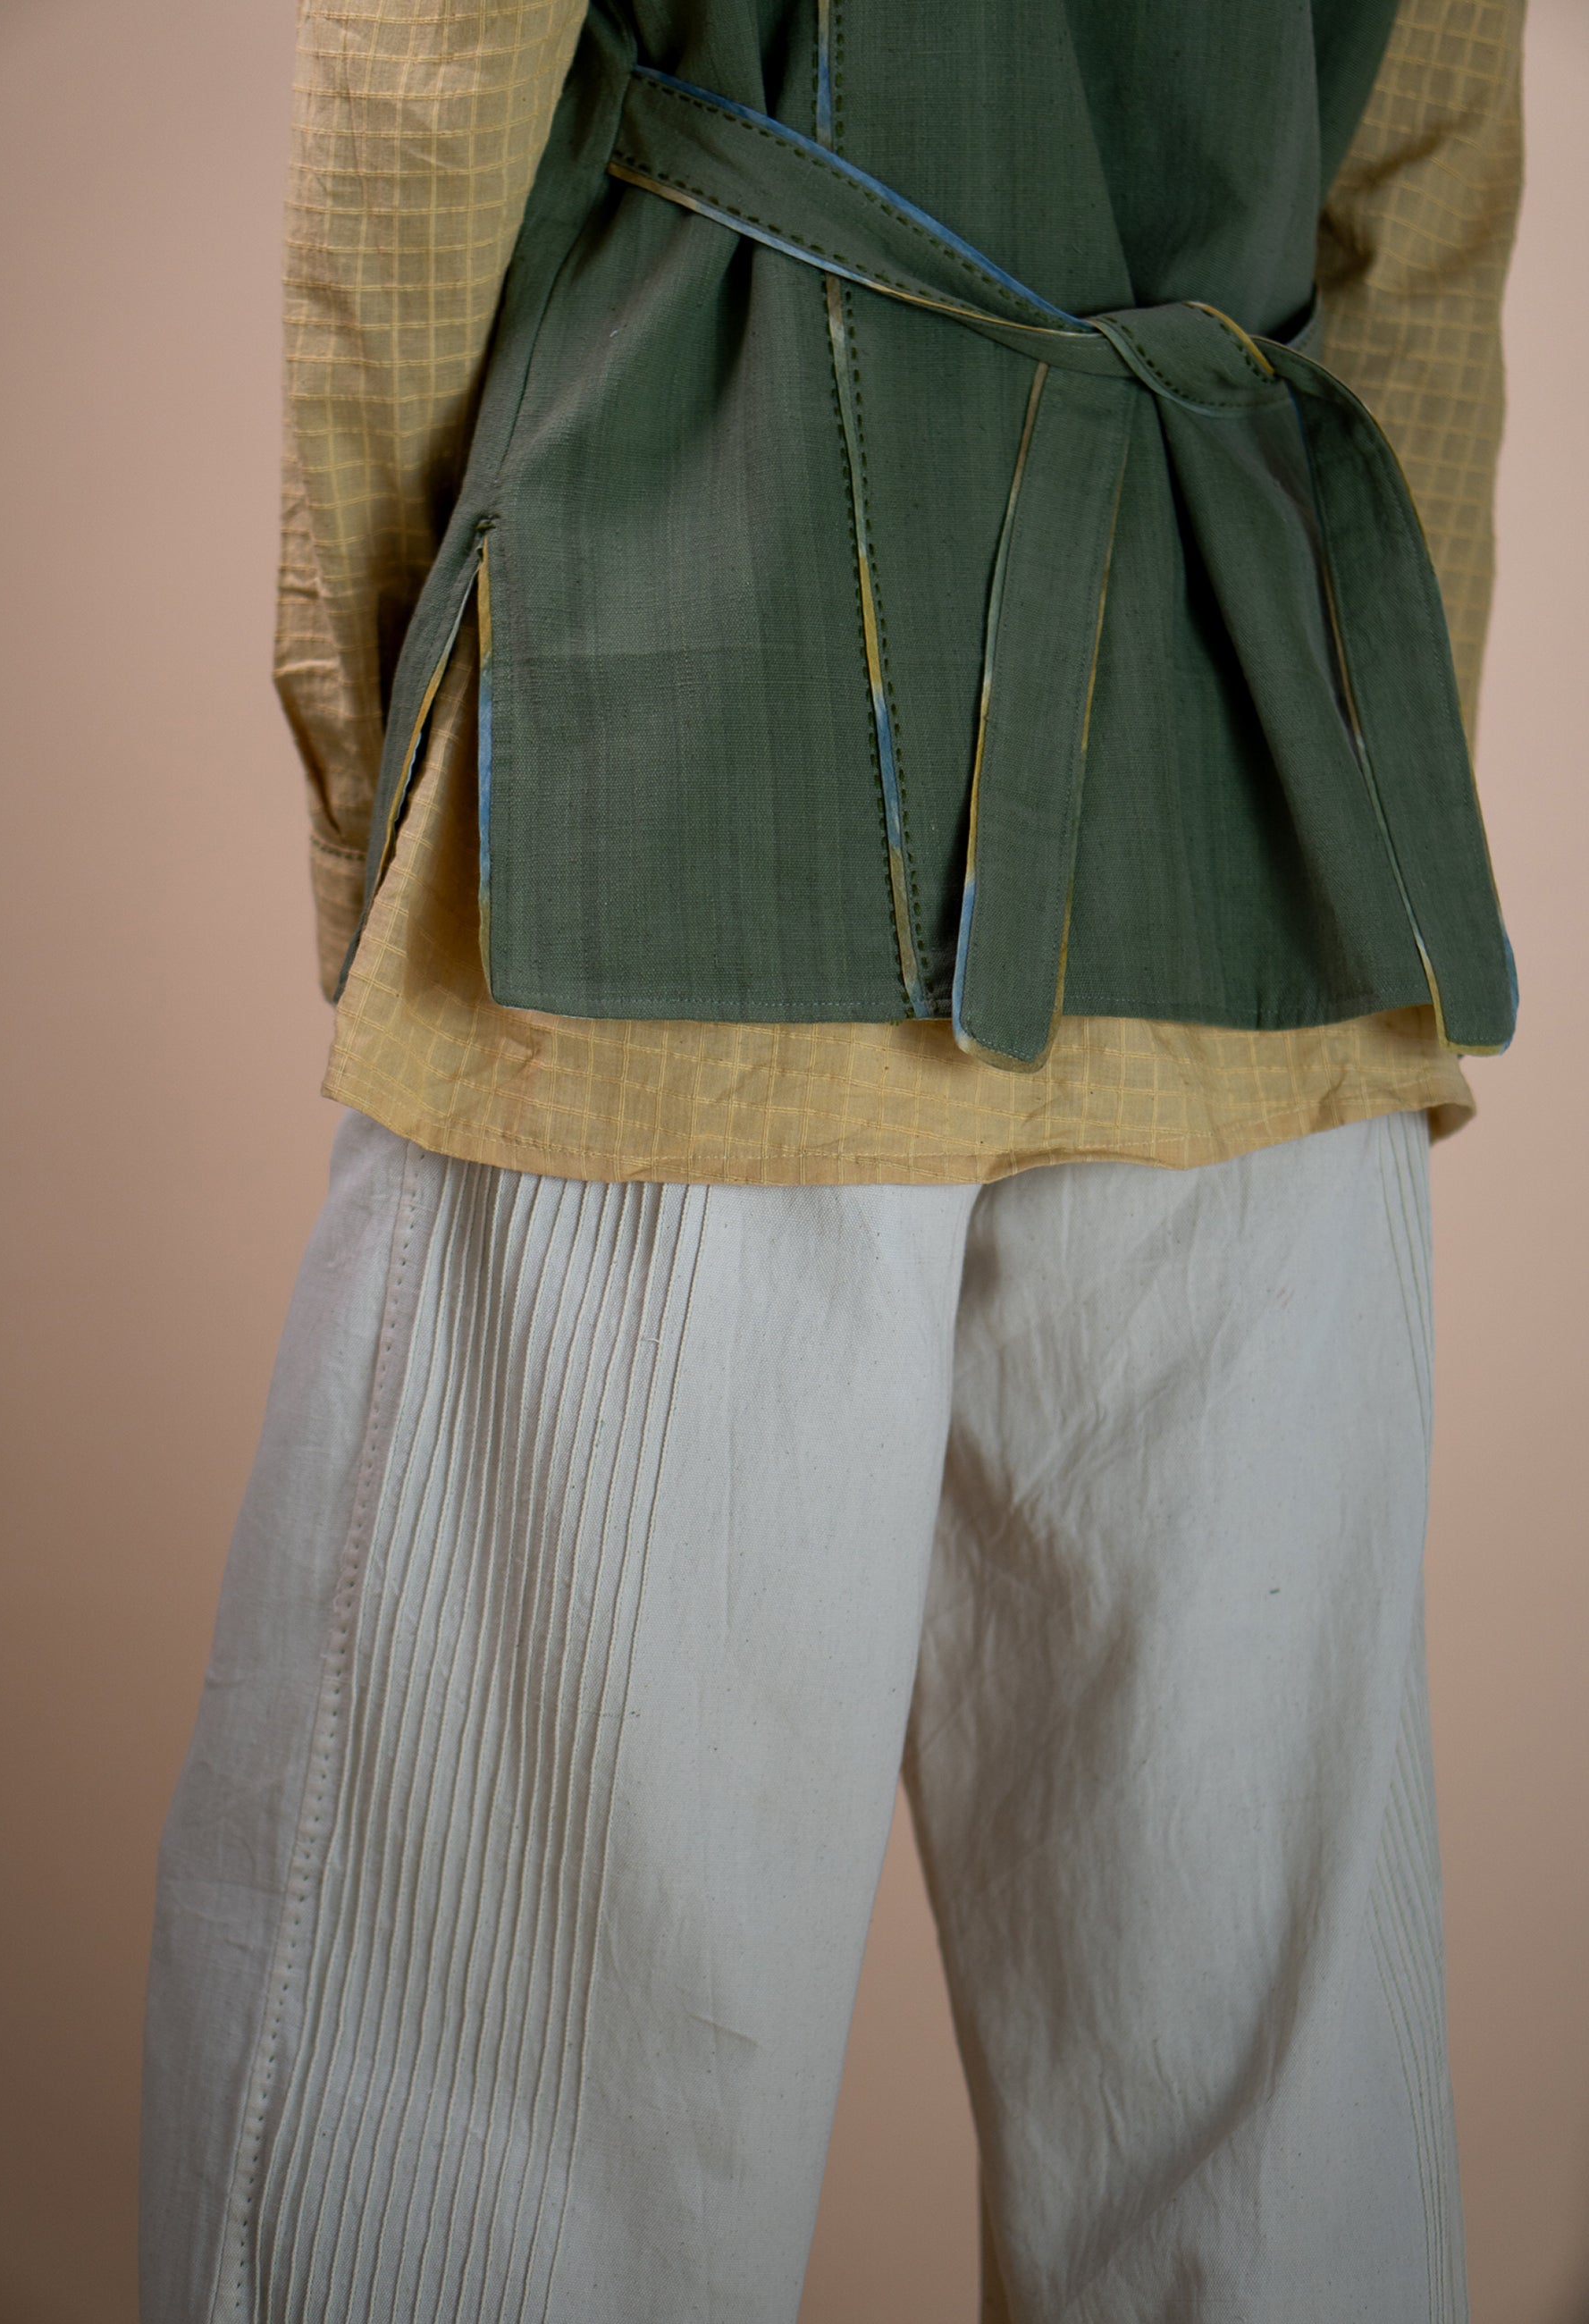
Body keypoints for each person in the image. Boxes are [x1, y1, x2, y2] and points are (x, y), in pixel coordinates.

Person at [139, 0, 1524, 2315]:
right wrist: (1348, 772)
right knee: (1273, 2146)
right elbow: (1428, 169)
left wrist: (407, 747)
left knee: (492, 2110)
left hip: (686, 723)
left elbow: (433, 68)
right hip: (1254, 800)